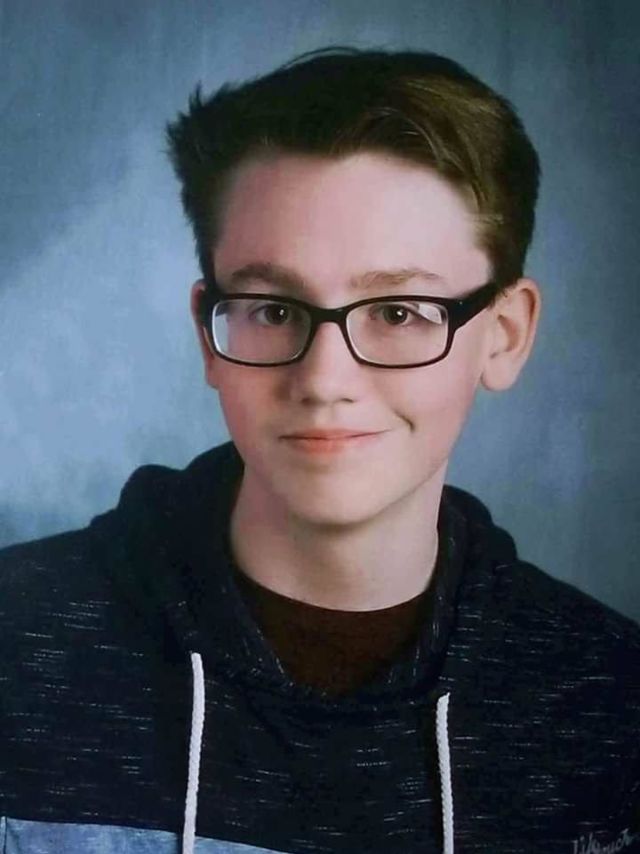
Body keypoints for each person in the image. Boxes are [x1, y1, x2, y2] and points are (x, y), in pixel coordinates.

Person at [0, 46, 638, 854]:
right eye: (272, 310)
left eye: (398, 312)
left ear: (504, 335)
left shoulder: (613, 705)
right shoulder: (16, 647)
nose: (325, 380)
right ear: (207, 331)